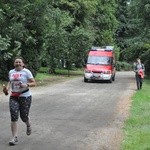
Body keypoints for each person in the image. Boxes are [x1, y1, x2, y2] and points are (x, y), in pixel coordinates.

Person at [3, 57, 36, 146]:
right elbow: (10, 82)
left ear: (23, 64)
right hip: (14, 96)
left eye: (19, 62)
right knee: (14, 116)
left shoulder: (26, 72)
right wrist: (7, 89)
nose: (18, 63)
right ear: (14, 64)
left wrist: (27, 84)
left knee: (23, 116)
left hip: (25, 96)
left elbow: (34, 82)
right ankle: (14, 137)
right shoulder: (11, 72)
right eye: (16, 62)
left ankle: (28, 125)